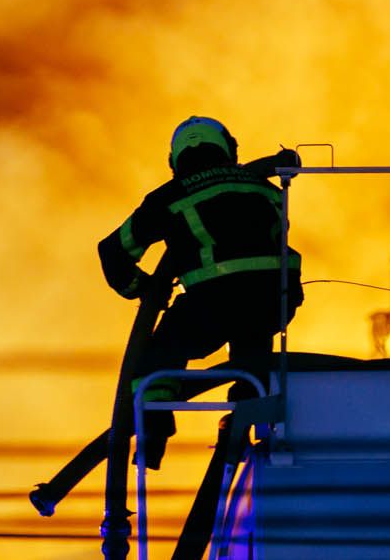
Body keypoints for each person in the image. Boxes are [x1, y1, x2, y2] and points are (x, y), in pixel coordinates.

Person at [98, 117, 303, 463]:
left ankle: (154, 430)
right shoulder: (260, 183)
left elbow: (113, 251)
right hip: (274, 300)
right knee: (252, 359)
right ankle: (243, 420)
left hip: (214, 302)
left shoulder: (169, 196)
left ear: (174, 160)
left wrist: (144, 289)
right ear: (229, 149)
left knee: (154, 361)